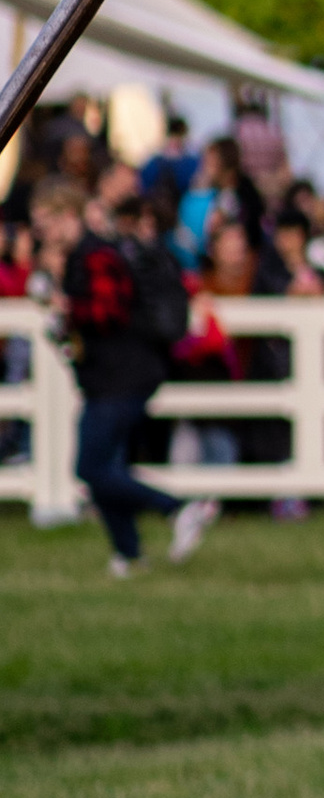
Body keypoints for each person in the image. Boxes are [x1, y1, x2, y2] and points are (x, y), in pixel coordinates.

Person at [32, 178, 218, 577]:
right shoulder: (84, 257)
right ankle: (128, 553)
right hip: (109, 377)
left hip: (123, 376)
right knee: (104, 467)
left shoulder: (96, 256)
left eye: (45, 223)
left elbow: (107, 313)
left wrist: (69, 309)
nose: (41, 234)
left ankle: (180, 508)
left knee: (91, 468)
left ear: (68, 216)